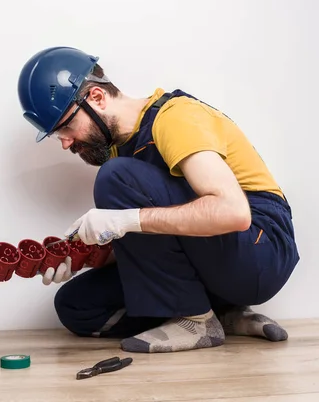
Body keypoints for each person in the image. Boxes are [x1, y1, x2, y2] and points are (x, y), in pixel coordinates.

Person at [18, 46, 299, 354]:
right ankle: (223, 315)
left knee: (116, 176)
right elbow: (153, 246)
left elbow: (232, 213)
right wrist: (83, 257)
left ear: (97, 97)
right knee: (76, 306)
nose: (65, 143)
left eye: (66, 127)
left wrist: (126, 219)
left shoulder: (175, 118)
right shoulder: (119, 150)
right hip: (213, 261)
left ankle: (196, 321)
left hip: (260, 249)